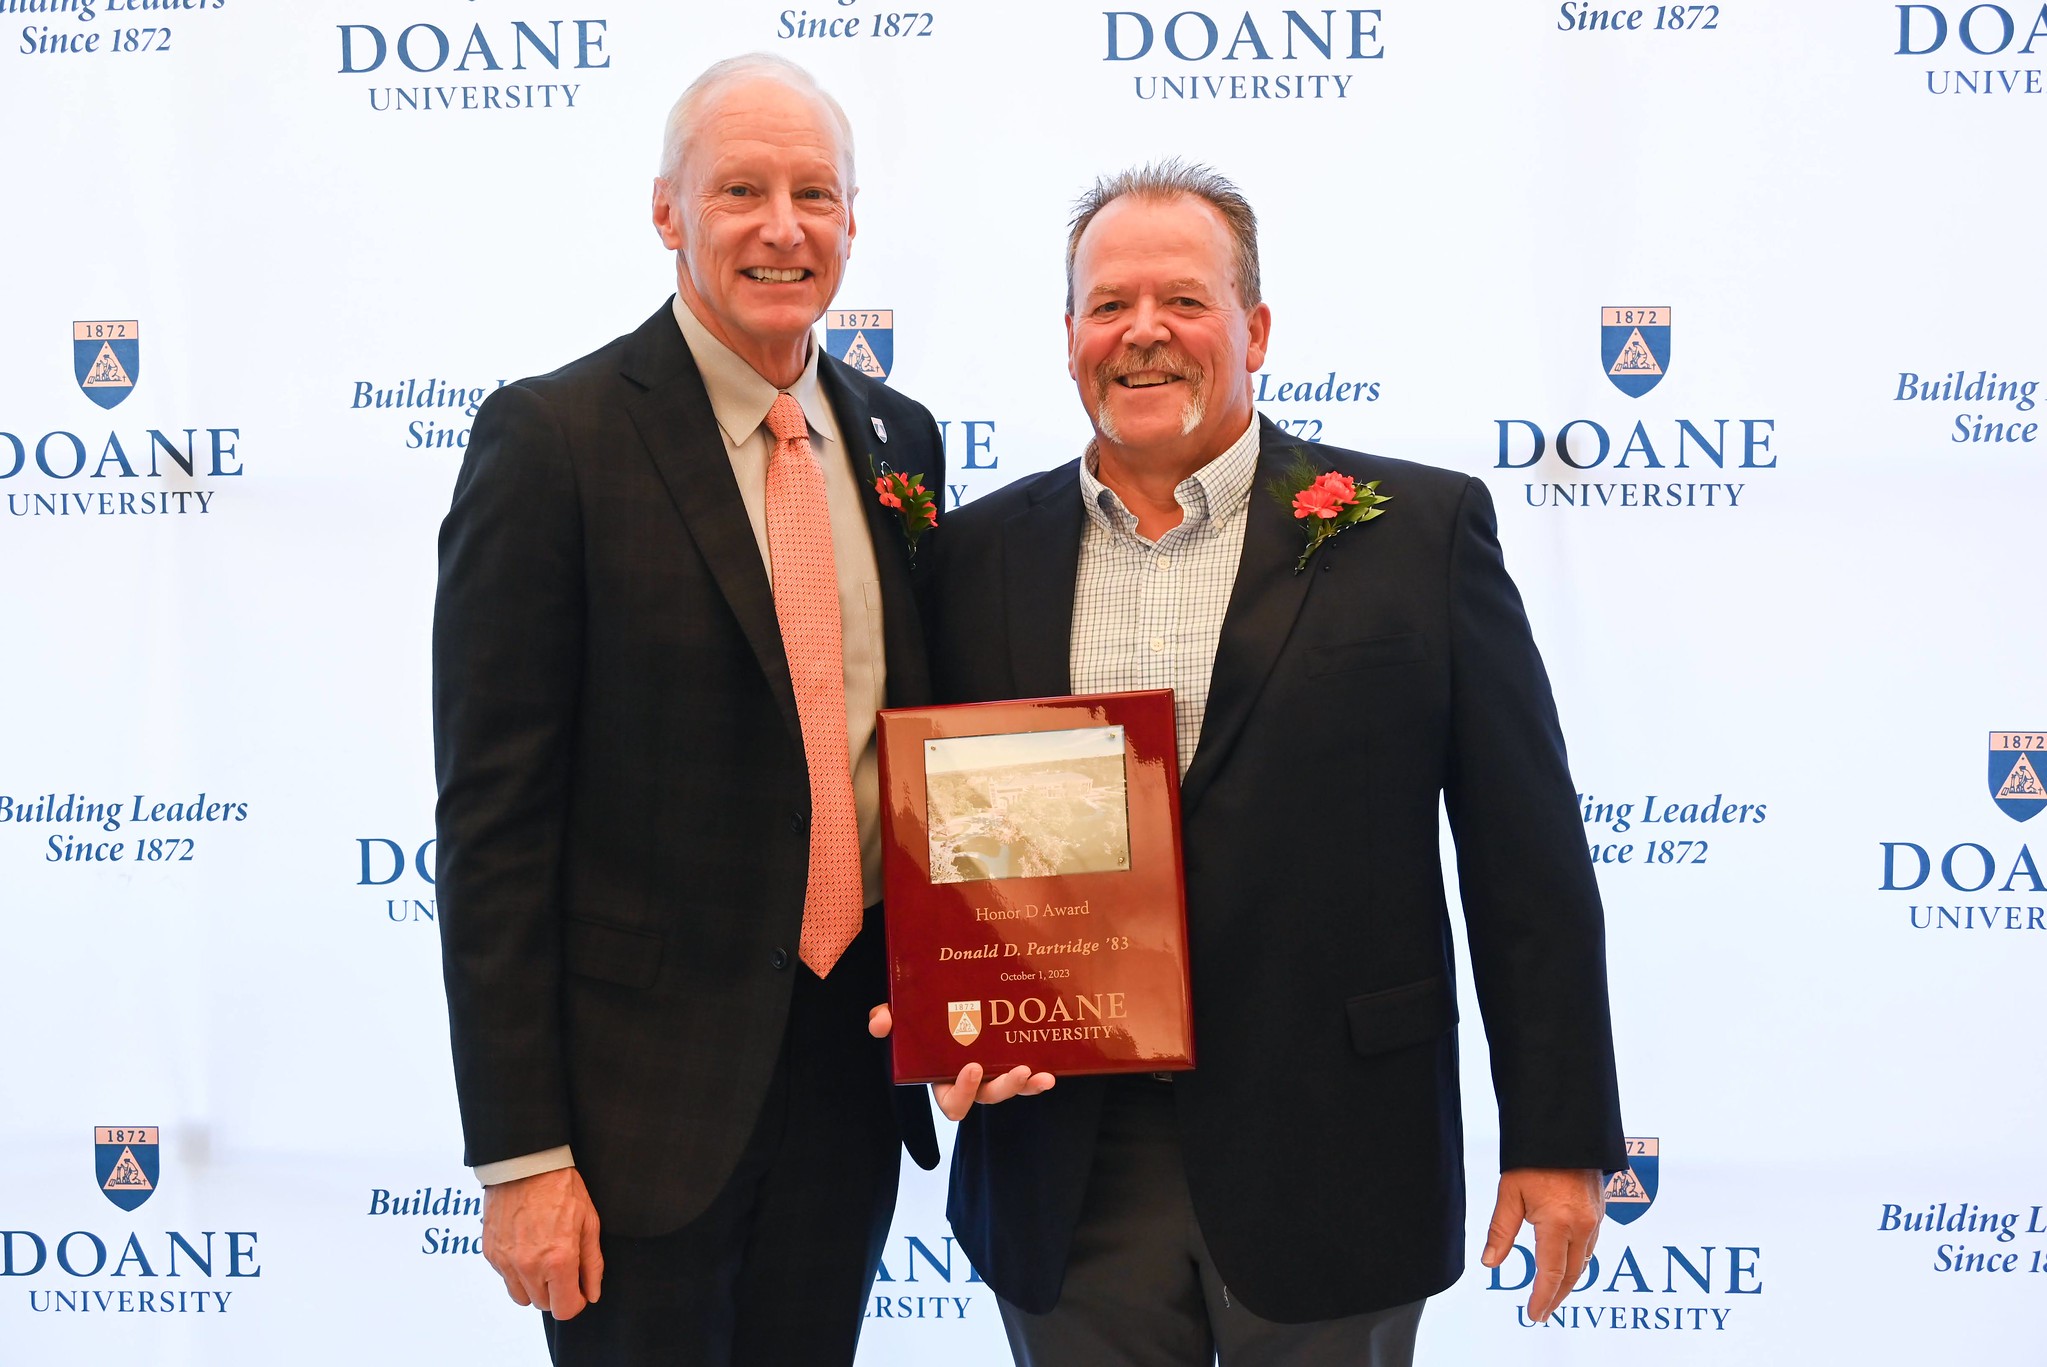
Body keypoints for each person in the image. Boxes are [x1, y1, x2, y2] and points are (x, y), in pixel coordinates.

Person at [887, 160, 1626, 1366]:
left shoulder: (1417, 535)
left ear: (1255, 327)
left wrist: (1557, 1133)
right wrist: (940, 1029)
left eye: (1182, 300)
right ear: (1068, 335)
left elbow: (1525, 860)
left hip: (1340, 1151)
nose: (1143, 334)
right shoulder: (971, 557)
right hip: (1065, 1162)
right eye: (1108, 304)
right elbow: (931, 839)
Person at [432, 54, 941, 1366]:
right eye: (742, 191)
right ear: (668, 212)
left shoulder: (901, 441)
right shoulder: (553, 440)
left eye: (814, 193)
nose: (784, 227)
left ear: (850, 218)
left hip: (848, 1076)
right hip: (630, 1122)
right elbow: (493, 825)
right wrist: (522, 1151)